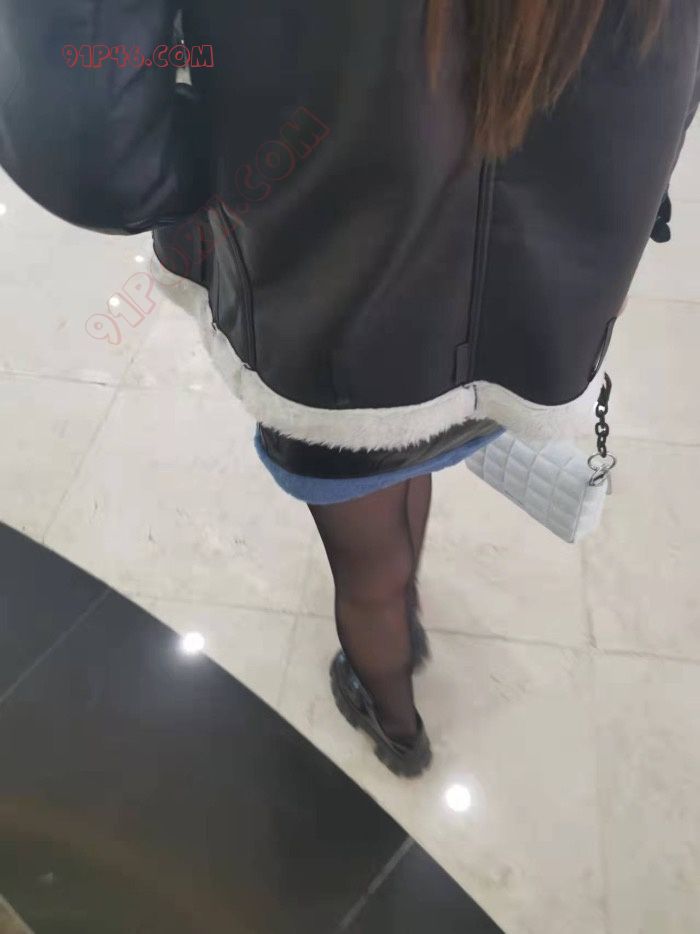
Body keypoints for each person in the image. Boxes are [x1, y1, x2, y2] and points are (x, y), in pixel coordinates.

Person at [1, 1, 698, 778]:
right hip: (540, 307)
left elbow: (94, 148)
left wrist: (230, 164)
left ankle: (395, 723)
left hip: (328, 293)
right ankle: (402, 617)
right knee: (412, 465)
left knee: (368, 560)